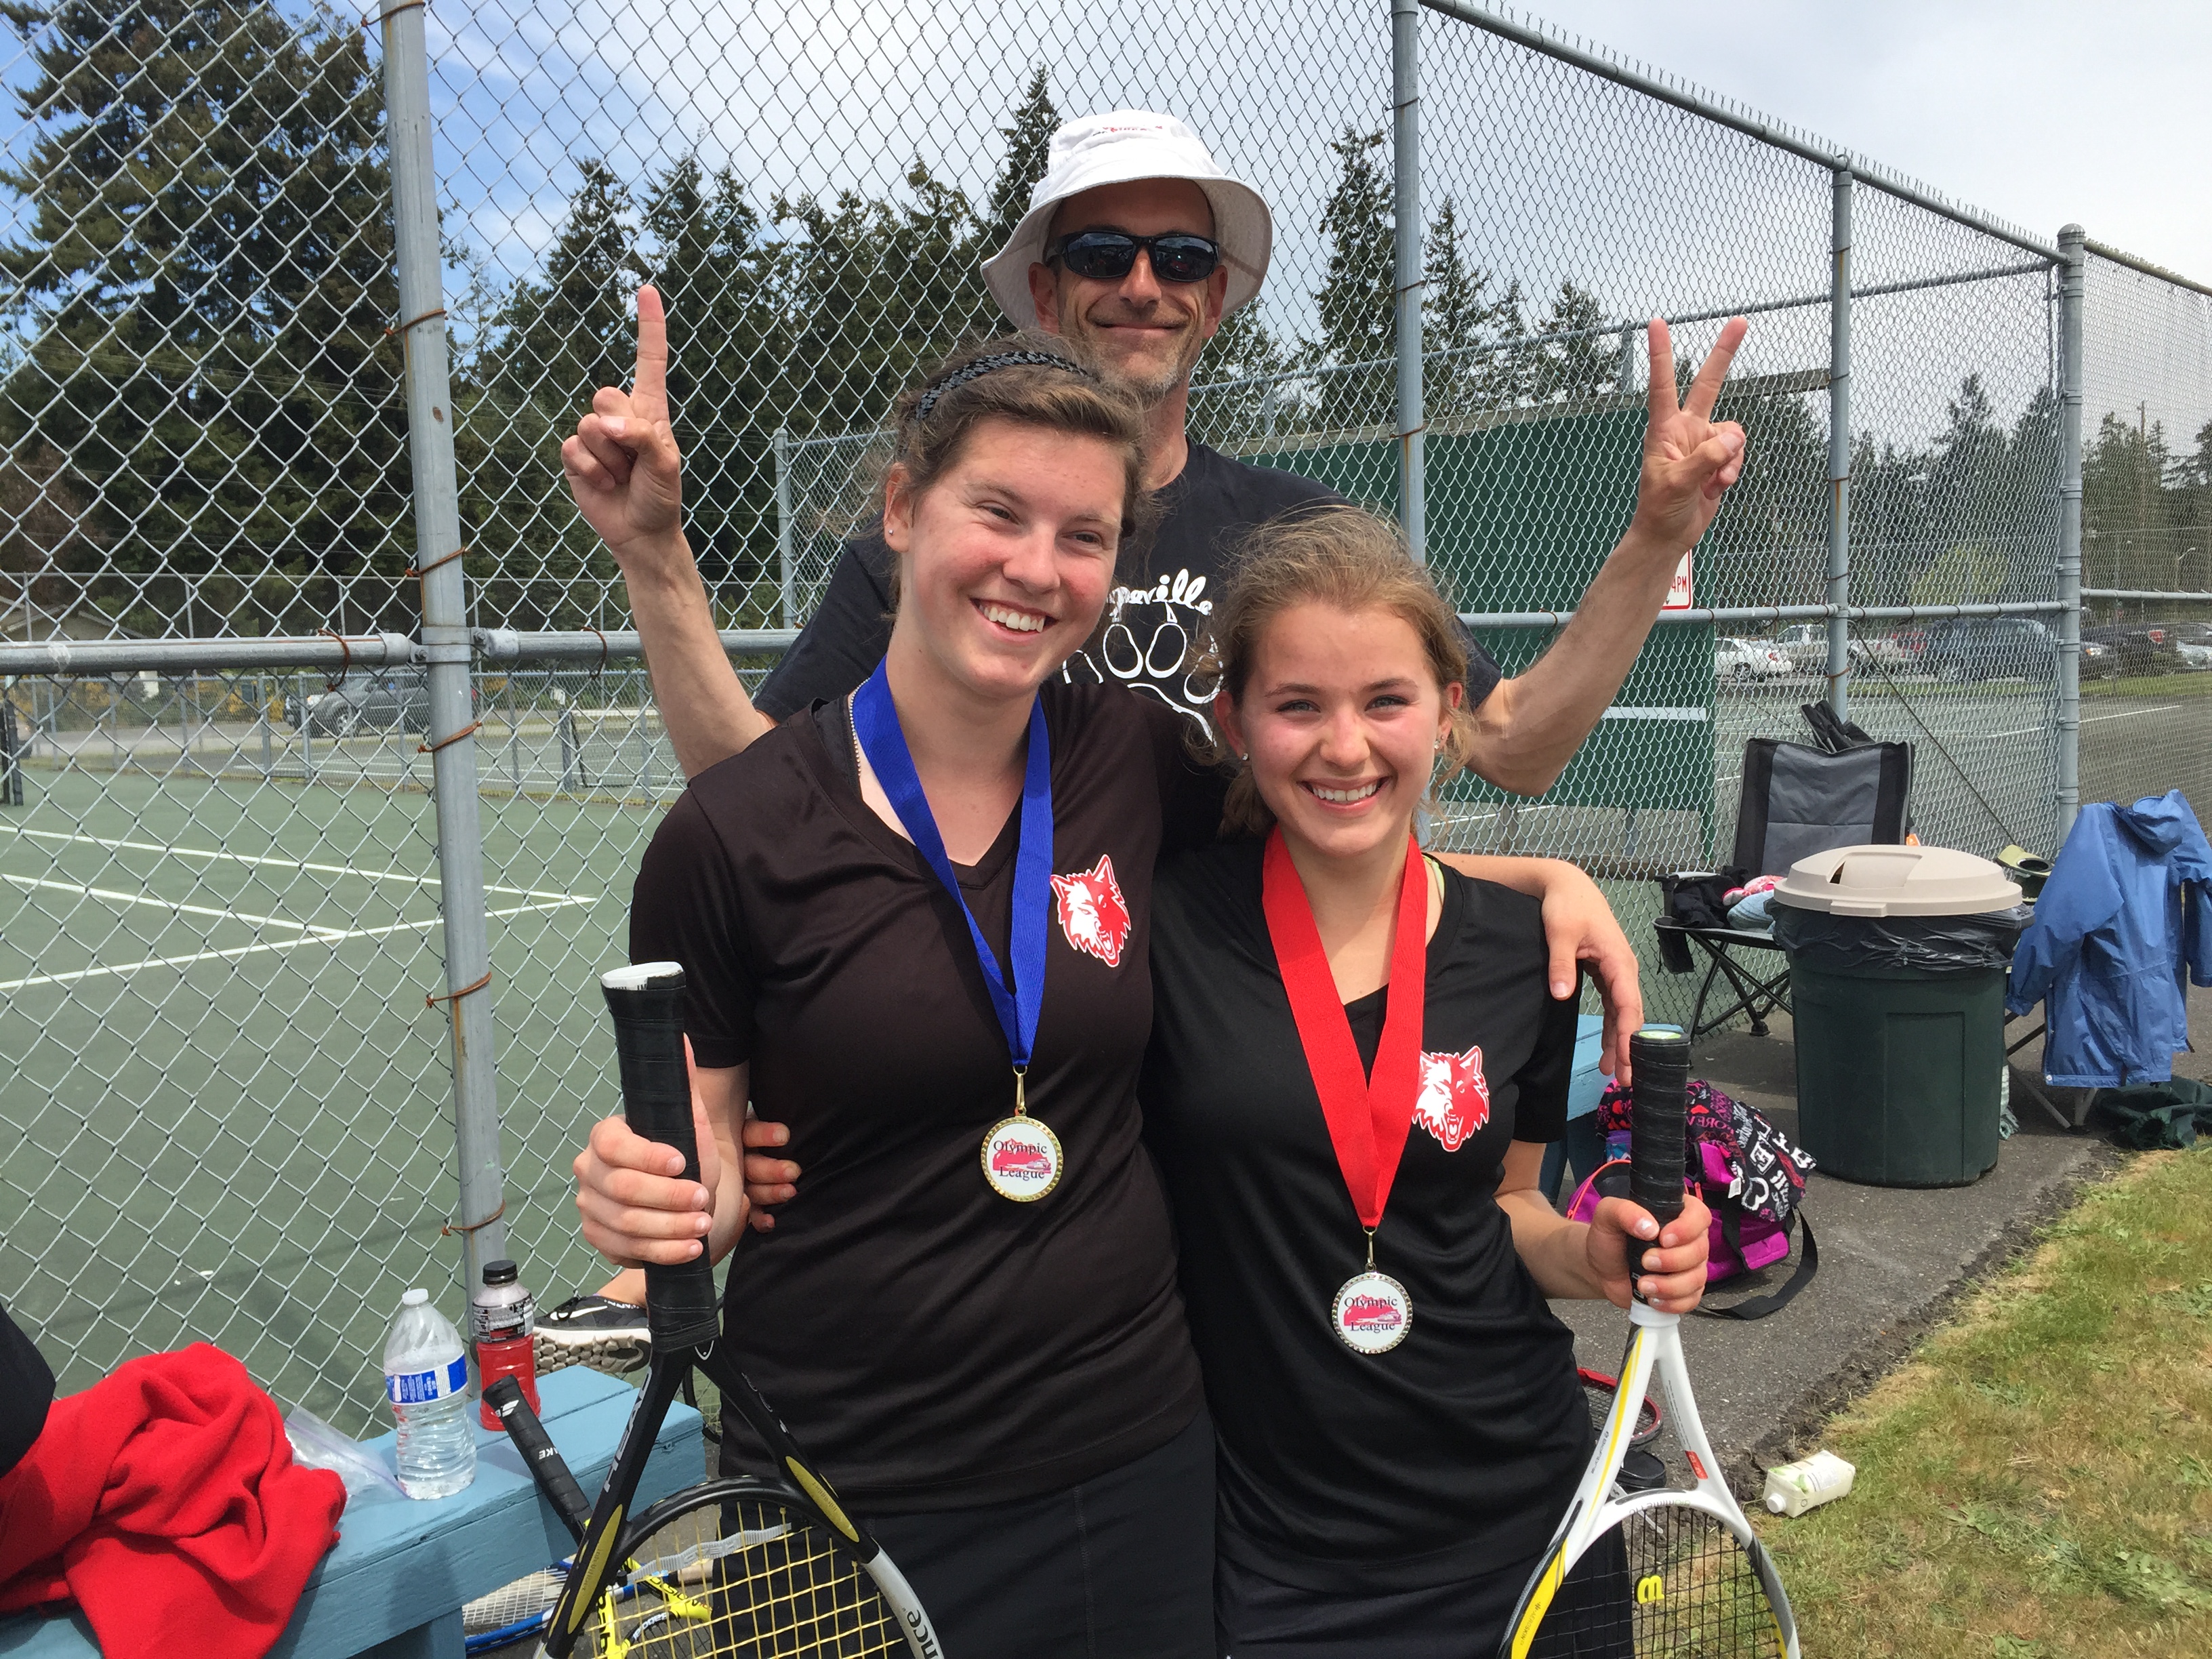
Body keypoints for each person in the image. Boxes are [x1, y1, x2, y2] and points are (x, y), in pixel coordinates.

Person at [565, 334, 1700, 1657]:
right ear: (900, 511)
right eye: (999, 512)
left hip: (1131, 1467)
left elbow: (1333, 828)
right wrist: (663, 1201)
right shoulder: (726, 837)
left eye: (1084, 536)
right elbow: (709, 1164)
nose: (1036, 567)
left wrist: (1538, 879)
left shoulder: (1131, 763)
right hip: (843, 1477)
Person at [1141, 508, 1711, 1653]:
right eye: (1299, 705)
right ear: (1235, 720)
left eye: (1386, 702)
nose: (1345, 747)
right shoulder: (1165, 932)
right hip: (1287, 1551)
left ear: (1449, 712)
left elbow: (1505, 1205)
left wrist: (1590, 1254)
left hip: (1525, 1506)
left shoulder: (1526, 949)